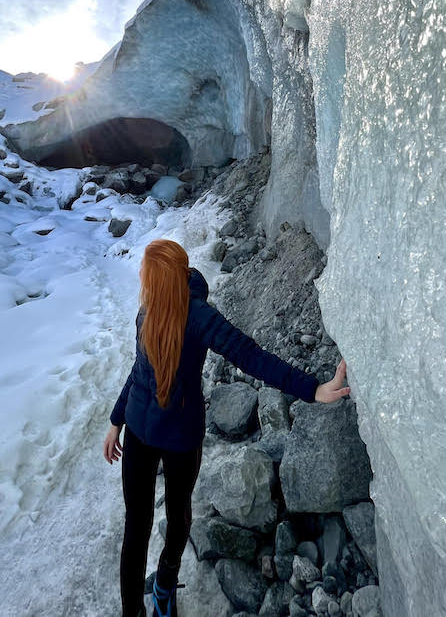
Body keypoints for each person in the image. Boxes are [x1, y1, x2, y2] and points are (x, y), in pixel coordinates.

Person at [103, 238, 350, 617]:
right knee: (136, 529)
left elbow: (251, 356)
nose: (142, 280)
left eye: (147, 275)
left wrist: (313, 389)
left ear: (162, 280)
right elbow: (139, 373)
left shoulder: (199, 317)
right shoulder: (146, 312)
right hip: (137, 431)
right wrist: (115, 421)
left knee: (178, 515)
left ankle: (165, 585)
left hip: (180, 438)